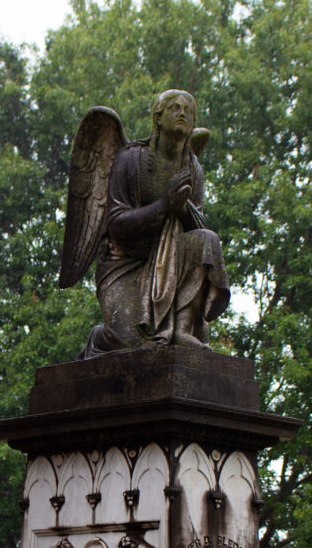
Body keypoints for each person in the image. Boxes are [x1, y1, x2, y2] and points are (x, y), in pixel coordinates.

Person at [79, 90, 230, 359]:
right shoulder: (130, 159)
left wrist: (181, 207)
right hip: (124, 263)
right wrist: (163, 206)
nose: (182, 113)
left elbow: (197, 226)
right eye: (174, 108)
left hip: (171, 259)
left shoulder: (192, 167)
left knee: (207, 240)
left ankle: (182, 329)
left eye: (188, 110)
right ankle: (99, 339)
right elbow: (115, 224)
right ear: (158, 118)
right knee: (130, 342)